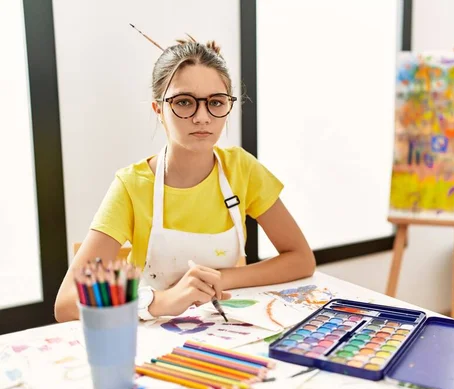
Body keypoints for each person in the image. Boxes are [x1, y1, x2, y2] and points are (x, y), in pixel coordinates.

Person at [54, 37, 315, 322]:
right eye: (184, 102)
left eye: (216, 102)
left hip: (223, 328)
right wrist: (159, 301)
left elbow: (301, 259)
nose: (202, 117)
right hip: (151, 333)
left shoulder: (242, 169)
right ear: (158, 109)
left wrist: (218, 278)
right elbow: (66, 304)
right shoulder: (132, 186)